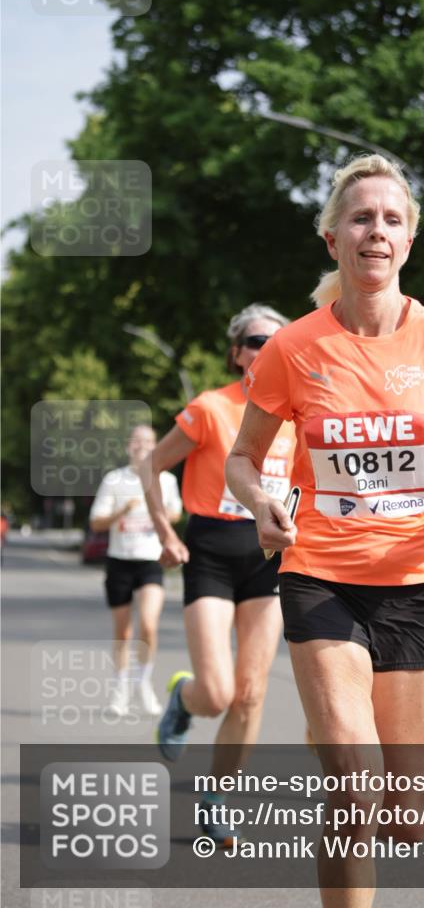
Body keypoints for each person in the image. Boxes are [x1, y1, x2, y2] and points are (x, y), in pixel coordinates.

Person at [225, 154, 424, 906]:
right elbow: (242, 461)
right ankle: (339, 739)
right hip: (320, 573)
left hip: (422, 580)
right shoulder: (293, 348)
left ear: (409, 240)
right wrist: (261, 502)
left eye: (391, 219)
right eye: (360, 218)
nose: (375, 232)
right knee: (355, 794)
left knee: (407, 820)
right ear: (332, 238)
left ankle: (335, 731)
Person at [139, 304, 296, 844]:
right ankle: (184, 699)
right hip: (209, 553)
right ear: (236, 353)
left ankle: (216, 796)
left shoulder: (299, 416)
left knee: (251, 694)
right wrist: (165, 532)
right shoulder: (209, 408)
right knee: (218, 691)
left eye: (275, 342)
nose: (264, 350)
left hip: (269, 561)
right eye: (255, 341)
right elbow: (151, 465)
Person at [89, 424, 182, 716]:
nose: (142, 445)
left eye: (148, 441)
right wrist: (122, 511)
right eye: (137, 440)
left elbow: (176, 512)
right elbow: (96, 523)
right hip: (119, 561)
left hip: (150, 561)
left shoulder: (164, 480)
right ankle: (121, 688)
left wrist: (157, 512)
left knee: (149, 625)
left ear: (156, 446)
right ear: (129, 445)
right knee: (123, 632)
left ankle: (143, 683)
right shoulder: (114, 480)